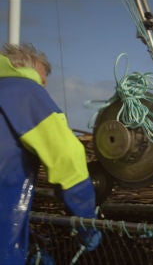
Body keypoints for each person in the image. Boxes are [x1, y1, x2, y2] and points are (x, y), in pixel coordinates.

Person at [0, 43, 101, 264]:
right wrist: (87, 223)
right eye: (43, 81)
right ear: (32, 71)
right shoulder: (26, 92)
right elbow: (67, 159)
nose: (44, 87)